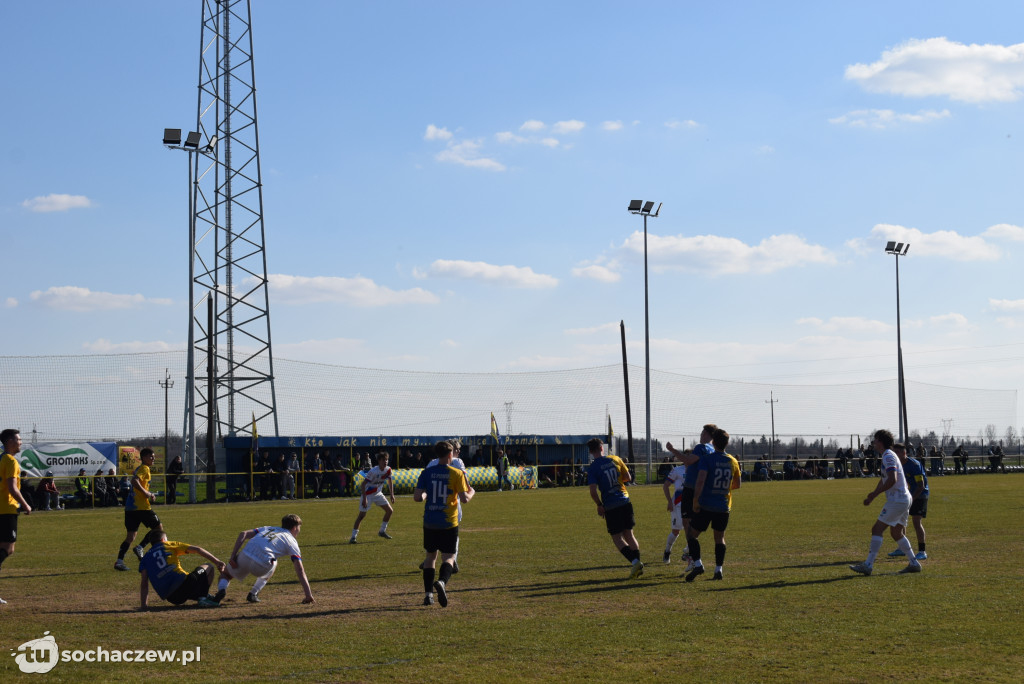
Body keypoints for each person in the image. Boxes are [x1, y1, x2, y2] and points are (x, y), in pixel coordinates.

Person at [849, 431, 922, 576]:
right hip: (905, 498)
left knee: (877, 529)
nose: (873, 443)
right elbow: (884, 478)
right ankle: (914, 563)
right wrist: (873, 495)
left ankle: (868, 565)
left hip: (898, 499)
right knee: (896, 532)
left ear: (880, 442)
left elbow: (892, 479)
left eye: (875, 440)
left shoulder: (888, 455)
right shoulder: (889, 455)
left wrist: (875, 494)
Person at [415, 440, 474, 607]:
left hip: (430, 520)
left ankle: (428, 595)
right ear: (450, 454)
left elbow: (418, 497)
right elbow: (464, 499)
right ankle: (441, 582)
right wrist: (472, 493)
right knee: (448, 557)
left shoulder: (427, 472)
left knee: (430, 557)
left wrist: (427, 494)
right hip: (448, 521)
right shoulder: (456, 473)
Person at [211, 513, 314, 605]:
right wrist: (308, 595)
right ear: (295, 528)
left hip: (245, 556)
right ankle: (253, 593)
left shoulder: (269, 528)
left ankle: (221, 590)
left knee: (226, 574)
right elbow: (300, 570)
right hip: (261, 565)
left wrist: (233, 556)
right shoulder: (291, 541)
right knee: (274, 562)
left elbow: (244, 534)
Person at [684, 428, 741, 582]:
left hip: (706, 505)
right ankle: (718, 569)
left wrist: (696, 501)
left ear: (713, 442)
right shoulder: (733, 461)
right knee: (719, 538)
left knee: (691, 534)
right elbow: (737, 485)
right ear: (727, 443)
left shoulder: (707, 460)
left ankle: (698, 564)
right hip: (723, 506)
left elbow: (700, 481)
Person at [587, 437, 644, 579]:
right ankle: (637, 565)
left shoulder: (593, 467)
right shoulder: (616, 459)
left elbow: (593, 491)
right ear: (602, 448)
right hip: (625, 501)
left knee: (617, 538)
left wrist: (599, 505)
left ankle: (636, 562)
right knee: (629, 534)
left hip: (611, 505)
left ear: (590, 451)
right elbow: (628, 477)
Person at [666, 423, 717, 568]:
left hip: (690, 489)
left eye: (703, 433)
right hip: (703, 490)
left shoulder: (701, 447)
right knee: (695, 525)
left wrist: (672, 450)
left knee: (687, 523)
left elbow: (688, 461)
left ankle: (692, 557)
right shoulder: (712, 449)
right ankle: (690, 553)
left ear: (708, 435)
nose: (701, 435)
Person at [138, 529, 224, 610]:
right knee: (209, 566)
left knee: (189, 584)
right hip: (185, 585)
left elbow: (144, 583)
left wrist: (143, 605)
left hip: (173, 598)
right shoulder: (168, 545)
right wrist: (217, 561)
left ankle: (203, 596)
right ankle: (203, 597)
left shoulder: (145, 558)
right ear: (163, 540)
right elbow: (198, 549)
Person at [421, 439, 468, 573]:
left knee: (433, 534)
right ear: (450, 451)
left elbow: (425, 482)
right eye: (456, 449)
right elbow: (465, 480)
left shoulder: (431, 463)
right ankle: (452, 560)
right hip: (452, 504)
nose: (458, 452)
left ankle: (429, 559)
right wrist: (470, 491)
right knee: (452, 534)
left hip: (433, 504)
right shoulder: (457, 462)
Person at [115, 448, 162, 572]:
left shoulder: (141, 468)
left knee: (130, 536)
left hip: (130, 508)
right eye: (151, 457)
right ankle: (140, 547)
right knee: (158, 528)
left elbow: (137, 483)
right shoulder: (144, 468)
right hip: (141, 507)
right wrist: (146, 492)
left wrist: (149, 494)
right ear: (145, 457)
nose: (153, 459)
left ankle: (119, 561)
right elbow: (134, 481)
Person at [1, 429, 33, 604]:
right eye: (18, 439)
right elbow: (13, 488)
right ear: (9, 441)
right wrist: (26, 504)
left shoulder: (0, 459)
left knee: (3, 547)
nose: (21, 442)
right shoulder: (10, 461)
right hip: (7, 509)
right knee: (8, 549)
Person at [889, 443, 929, 561]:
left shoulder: (914, 465)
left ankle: (922, 551)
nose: (895, 455)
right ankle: (902, 548)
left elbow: (921, 486)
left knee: (916, 521)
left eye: (897, 452)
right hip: (906, 496)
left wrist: (911, 498)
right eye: (894, 452)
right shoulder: (897, 464)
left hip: (920, 495)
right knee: (900, 522)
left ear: (904, 453)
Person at [349, 452, 395, 543]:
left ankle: (382, 531)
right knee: (362, 516)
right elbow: (363, 484)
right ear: (379, 461)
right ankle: (353, 537)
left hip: (378, 493)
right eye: (383, 460)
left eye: (386, 460)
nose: (385, 462)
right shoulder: (373, 471)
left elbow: (390, 481)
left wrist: (392, 494)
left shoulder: (388, 470)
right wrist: (365, 498)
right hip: (368, 494)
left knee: (390, 511)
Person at [661, 448, 692, 568]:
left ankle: (688, 552)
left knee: (693, 530)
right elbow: (666, 486)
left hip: (692, 504)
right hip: (678, 504)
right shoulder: (677, 470)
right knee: (676, 531)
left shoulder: (696, 470)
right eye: (687, 455)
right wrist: (669, 501)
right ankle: (667, 551)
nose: (689, 458)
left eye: (691, 456)